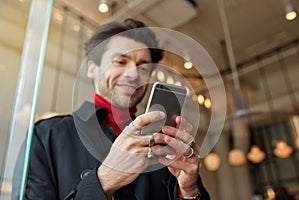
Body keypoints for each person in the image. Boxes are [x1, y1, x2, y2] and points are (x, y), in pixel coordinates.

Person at [15, 18, 210, 200]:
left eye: (143, 67)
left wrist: (189, 190)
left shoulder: (163, 145)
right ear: (92, 67)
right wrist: (104, 180)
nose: (133, 74)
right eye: (120, 61)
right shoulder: (46, 135)